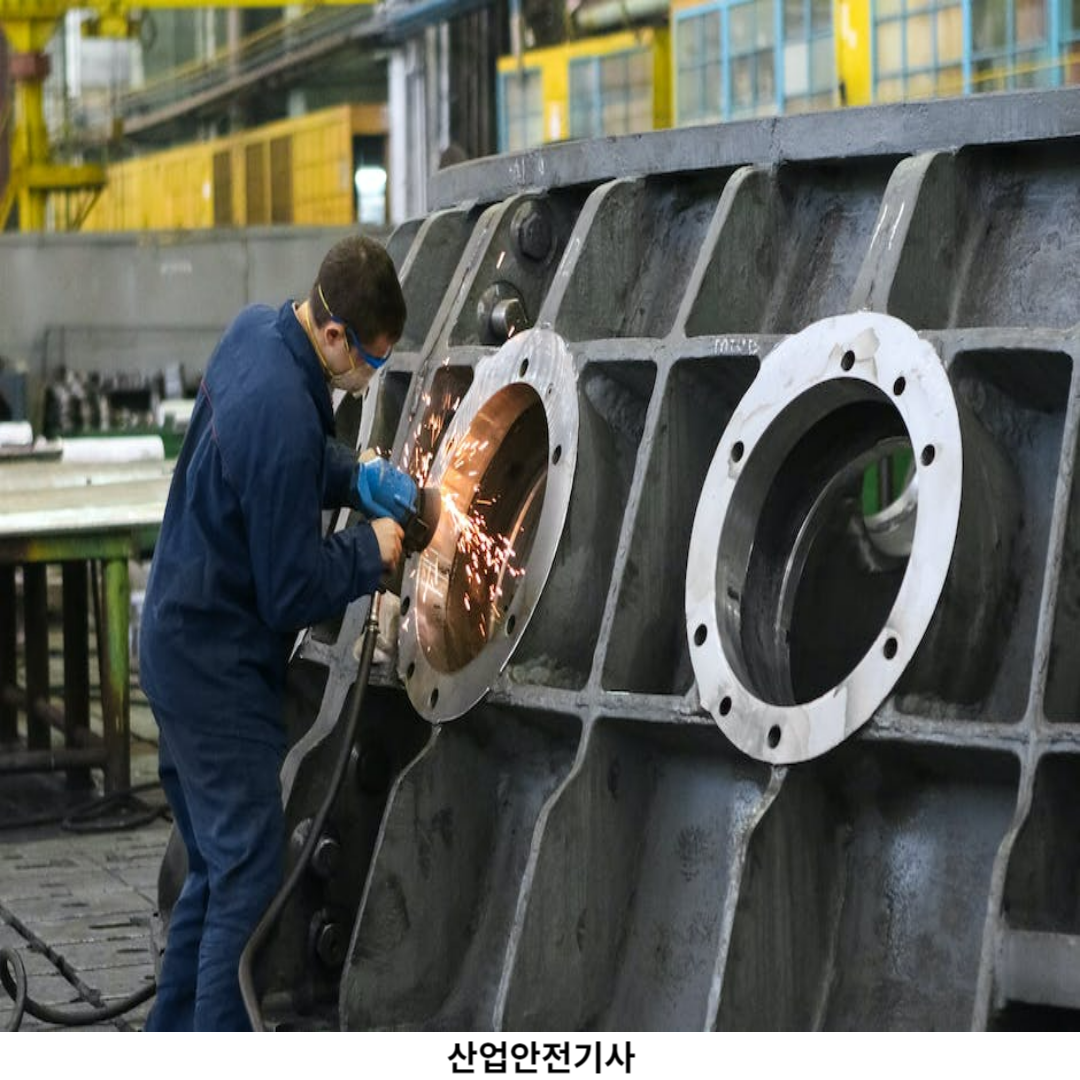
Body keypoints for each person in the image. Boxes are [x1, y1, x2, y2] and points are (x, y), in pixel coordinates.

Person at [140, 234, 406, 1031]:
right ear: (335, 335)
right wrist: (371, 550)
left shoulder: (256, 331)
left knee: (213, 872)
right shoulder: (284, 410)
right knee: (250, 879)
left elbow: (277, 464)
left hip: (176, 639)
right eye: (370, 360)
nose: (370, 376)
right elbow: (290, 590)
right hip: (215, 673)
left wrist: (354, 474)